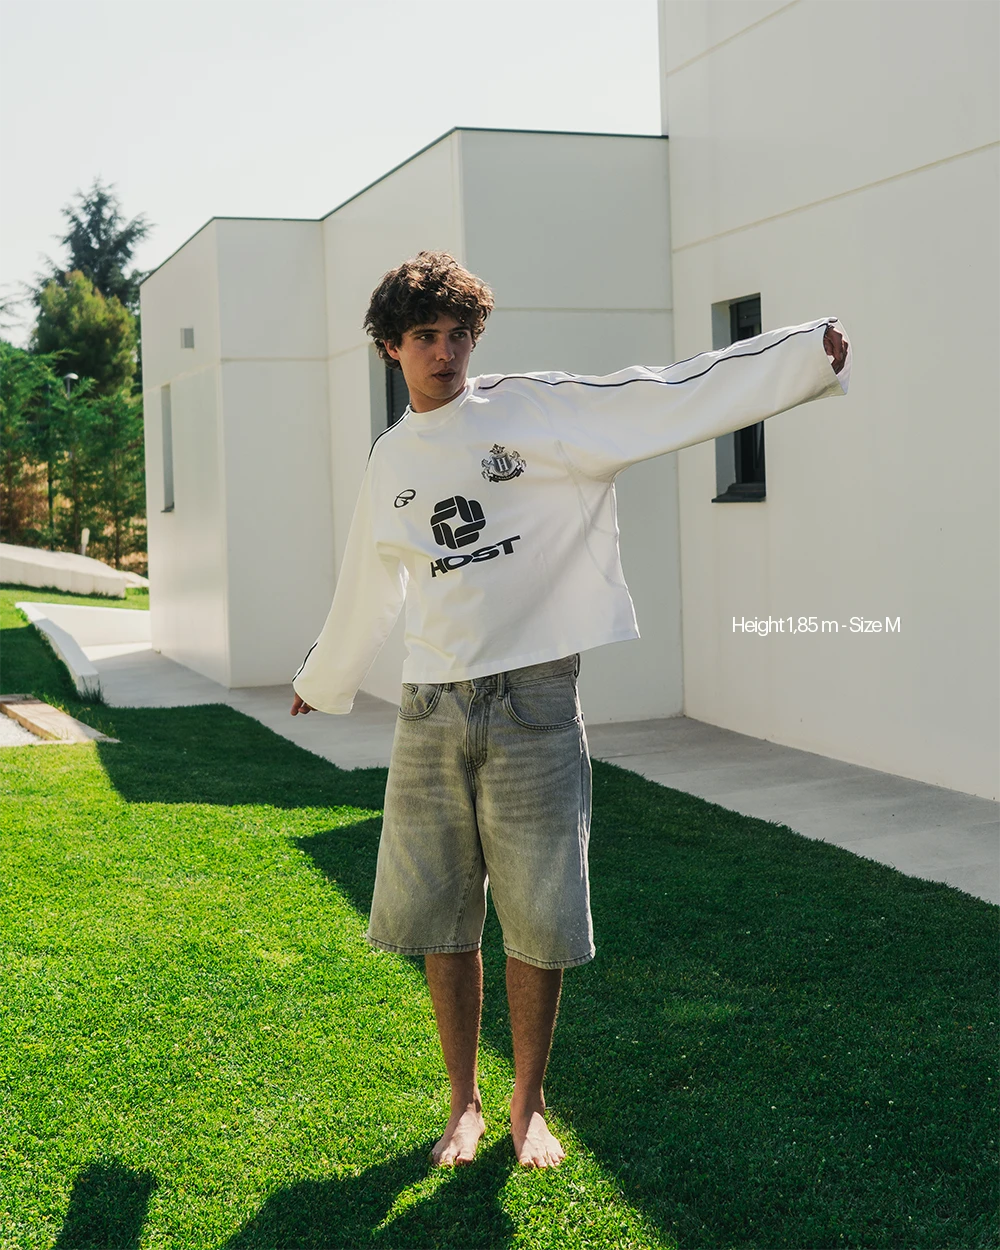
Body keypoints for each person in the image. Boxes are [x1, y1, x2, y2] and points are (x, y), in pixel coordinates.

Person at [290, 251, 851, 1169]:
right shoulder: (391, 457)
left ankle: (528, 1101)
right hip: (431, 710)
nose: (445, 352)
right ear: (391, 348)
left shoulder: (536, 410)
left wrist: (798, 357)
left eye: (458, 334)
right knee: (443, 922)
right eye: (424, 337)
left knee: (540, 921)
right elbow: (370, 578)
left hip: (535, 705)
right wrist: (326, 674)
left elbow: (663, 395)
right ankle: (463, 1102)